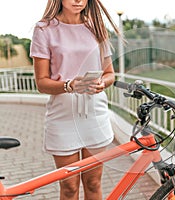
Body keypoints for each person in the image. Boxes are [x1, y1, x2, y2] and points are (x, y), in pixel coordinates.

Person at [30, 0, 119, 199]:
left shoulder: (96, 27)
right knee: (69, 187)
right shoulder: (44, 29)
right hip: (63, 117)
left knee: (93, 182)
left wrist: (101, 83)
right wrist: (69, 85)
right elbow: (41, 83)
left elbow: (110, 74)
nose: (78, 0)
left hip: (95, 115)